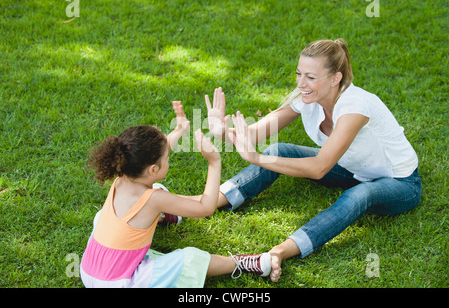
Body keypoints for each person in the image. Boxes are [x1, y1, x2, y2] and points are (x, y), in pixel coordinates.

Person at [205, 39, 422, 282]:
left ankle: (279, 252)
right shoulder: (307, 98)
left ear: (335, 78)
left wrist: (256, 157)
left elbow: (319, 168)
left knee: (360, 194)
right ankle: (209, 202)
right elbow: (253, 134)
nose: (300, 84)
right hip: (353, 170)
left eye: (310, 77)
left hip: (401, 183)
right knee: (281, 149)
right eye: (299, 74)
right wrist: (221, 132)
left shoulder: (355, 106)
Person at [80, 101, 271, 288]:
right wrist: (214, 162)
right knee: (188, 259)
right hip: (118, 283)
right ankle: (239, 263)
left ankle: (166, 217)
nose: (168, 159)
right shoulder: (153, 199)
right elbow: (206, 207)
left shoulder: (123, 175)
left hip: (89, 270)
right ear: (153, 169)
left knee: (106, 216)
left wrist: (179, 130)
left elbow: (149, 159)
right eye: (167, 158)